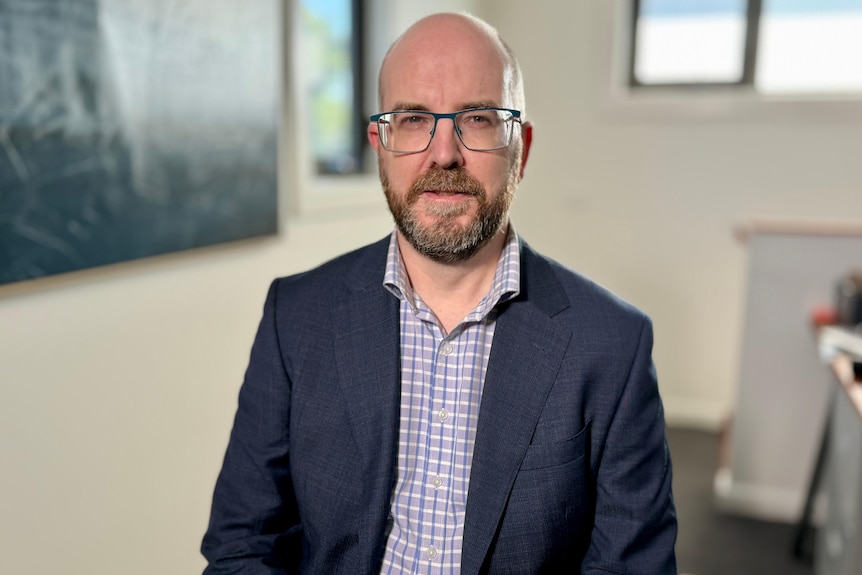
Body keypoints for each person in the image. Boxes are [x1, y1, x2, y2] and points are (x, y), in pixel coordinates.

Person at [202, 12, 677, 575]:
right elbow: (241, 548)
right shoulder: (296, 316)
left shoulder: (612, 346)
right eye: (412, 119)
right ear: (379, 143)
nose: (444, 154)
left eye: (477, 118)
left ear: (520, 147)